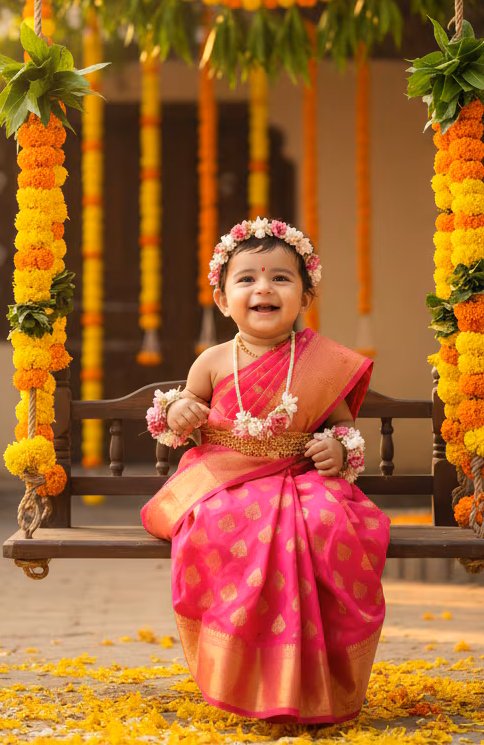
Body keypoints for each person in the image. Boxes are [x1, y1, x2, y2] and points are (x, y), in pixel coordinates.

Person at [141, 217, 390, 725]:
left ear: (305, 294)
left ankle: (310, 680)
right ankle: (245, 674)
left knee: (324, 522)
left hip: (300, 477)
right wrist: (180, 411)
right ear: (222, 298)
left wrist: (338, 452)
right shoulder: (211, 361)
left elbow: (345, 430)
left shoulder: (326, 362)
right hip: (226, 478)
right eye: (247, 278)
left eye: (281, 277)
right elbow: (182, 414)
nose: (264, 288)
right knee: (221, 524)